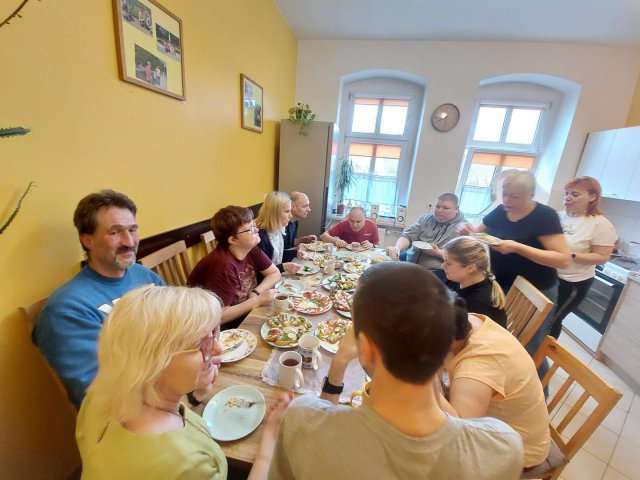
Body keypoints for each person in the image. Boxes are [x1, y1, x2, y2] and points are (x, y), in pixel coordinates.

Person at [269, 263, 525, 479]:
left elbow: (320, 419)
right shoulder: (505, 445)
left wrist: (338, 364)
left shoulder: (301, 420)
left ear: (366, 348)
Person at [76, 285, 293, 480]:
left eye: (215, 333)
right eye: (202, 342)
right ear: (154, 362)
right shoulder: (186, 464)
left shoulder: (97, 398)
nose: (218, 348)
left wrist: (196, 393)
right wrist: (271, 435)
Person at [32, 190, 165, 408]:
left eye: (133, 230)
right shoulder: (65, 310)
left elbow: (178, 326)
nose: (130, 242)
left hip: (172, 384)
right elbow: (102, 395)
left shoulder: (143, 275)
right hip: (131, 414)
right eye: (115, 233)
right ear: (88, 240)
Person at [459, 170, 570, 358]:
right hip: (503, 284)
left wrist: (518, 247)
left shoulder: (544, 216)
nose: (507, 201)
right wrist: (468, 232)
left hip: (536, 290)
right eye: (504, 194)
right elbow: (479, 233)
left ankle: (536, 386)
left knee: (528, 346)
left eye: (515, 196)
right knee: (496, 335)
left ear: (531, 195)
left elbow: (563, 259)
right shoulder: (501, 211)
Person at [439, 304, 550, 469]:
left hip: (518, 450)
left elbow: (460, 432)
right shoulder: (467, 320)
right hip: (509, 428)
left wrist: (424, 384)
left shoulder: (477, 368)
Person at [187, 206, 280, 329]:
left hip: (243, 312)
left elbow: (275, 273)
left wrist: (255, 292)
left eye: (254, 225)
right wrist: (257, 301)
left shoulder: (250, 248)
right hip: (213, 327)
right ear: (233, 240)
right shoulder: (222, 265)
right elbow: (220, 317)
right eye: (250, 229)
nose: (257, 230)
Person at [550, 176, 617, 339]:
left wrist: (571, 255)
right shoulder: (558, 216)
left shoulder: (600, 224)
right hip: (548, 276)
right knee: (536, 318)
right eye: (566, 193)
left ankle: (539, 359)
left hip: (571, 283)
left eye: (575, 194)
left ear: (592, 197)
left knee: (551, 321)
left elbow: (602, 257)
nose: (568, 197)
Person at [390, 193, 466, 280]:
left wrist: (437, 252)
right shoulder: (425, 218)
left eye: (445, 208)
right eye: (437, 206)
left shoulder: (463, 227)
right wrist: (397, 248)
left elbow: (460, 257)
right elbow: (408, 235)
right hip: (411, 262)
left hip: (437, 271)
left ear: (456, 209)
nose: (440, 210)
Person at [442, 236, 508, 328]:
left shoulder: (478, 303)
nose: (443, 266)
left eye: (448, 263)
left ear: (470, 268)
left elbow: (461, 337)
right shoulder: (457, 279)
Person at [255, 191, 300, 275]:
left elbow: (276, 255)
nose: (290, 215)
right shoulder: (261, 237)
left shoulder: (279, 229)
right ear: (274, 214)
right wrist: (283, 267)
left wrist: (295, 252)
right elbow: (260, 272)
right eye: (287, 211)